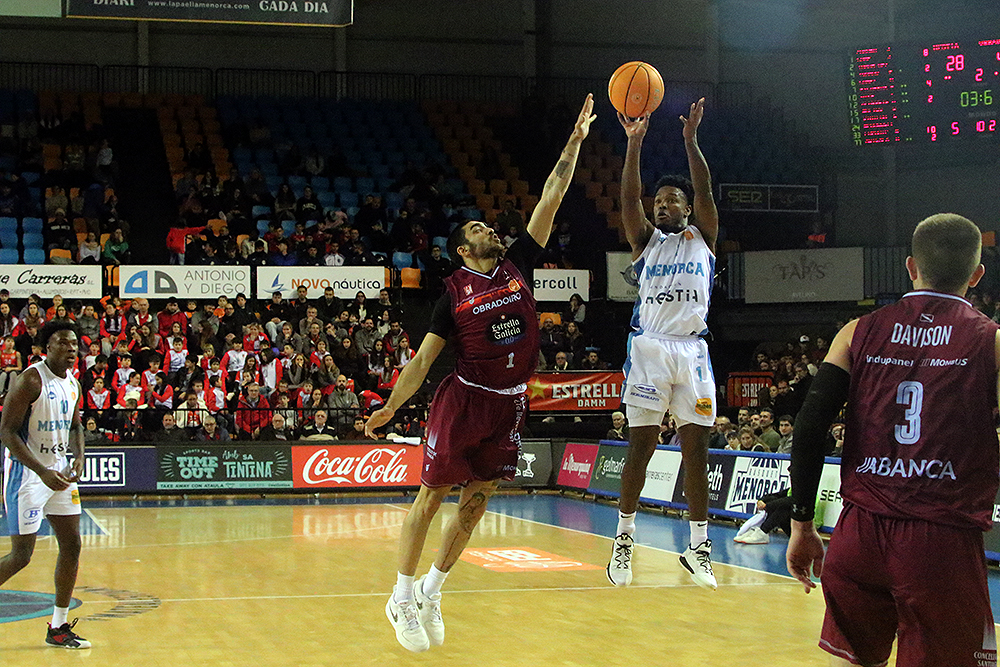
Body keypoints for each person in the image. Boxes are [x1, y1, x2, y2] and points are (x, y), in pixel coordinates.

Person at [365, 93, 593, 653]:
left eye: (489, 225)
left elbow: (552, 196)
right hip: (465, 399)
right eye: (478, 228)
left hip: (510, 402)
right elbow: (421, 361)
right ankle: (400, 595)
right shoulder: (451, 296)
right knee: (432, 495)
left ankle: (434, 589)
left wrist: (575, 140)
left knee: (479, 501)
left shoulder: (519, 265)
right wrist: (392, 406)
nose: (489, 227)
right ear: (462, 249)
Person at [785, 213, 999, 667]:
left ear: (909, 266)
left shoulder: (856, 331)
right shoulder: (991, 342)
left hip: (859, 532)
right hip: (940, 538)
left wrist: (802, 523)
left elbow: (808, 428)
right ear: (977, 274)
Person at [607, 98, 720, 590]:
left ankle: (698, 547)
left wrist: (691, 141)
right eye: (660, 203)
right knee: (642, 447)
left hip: (693, 351)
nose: (664, 206)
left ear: (688, 207)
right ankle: (624, 539)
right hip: (651, 349)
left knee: (697, 448)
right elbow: (629, 200)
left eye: (673, 200)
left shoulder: (704, 236)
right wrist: (634, 144)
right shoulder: (645, 243)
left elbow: (707, 187)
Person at [0, 321, 91, 648]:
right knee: (21, 556)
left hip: (60, 472)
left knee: (73, 544)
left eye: (75, 344)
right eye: (63, 343)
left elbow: (76, 426)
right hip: (27, 473)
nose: (71, 349)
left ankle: (58, 626)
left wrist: (78, 456)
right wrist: (41, 471)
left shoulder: (74, 385)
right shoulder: (30, 380)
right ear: (46, 348)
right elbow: (7, 432)